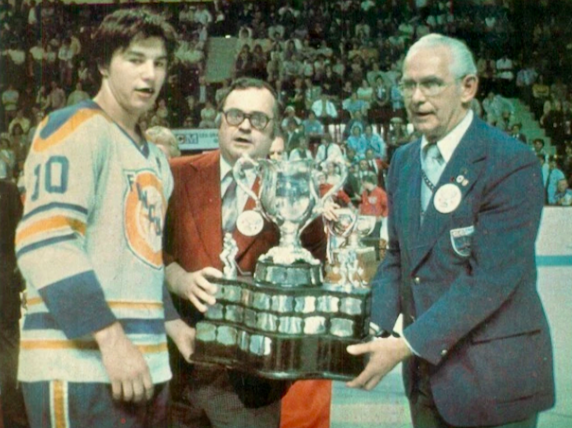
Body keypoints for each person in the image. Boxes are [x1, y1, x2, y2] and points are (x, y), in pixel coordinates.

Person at [347, 34, 555, 428]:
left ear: (468, 87)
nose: (417, 98)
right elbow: (398, 257)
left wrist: (406, 344)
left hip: (494, 382)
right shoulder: (403, 161)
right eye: (408, 85)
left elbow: (489, 280)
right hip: (427, 381)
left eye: (431, 84)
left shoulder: (511, 162)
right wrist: (372, 327)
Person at [15, 9, 195, 428]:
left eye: (159, 63)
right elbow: (44, 243)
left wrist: (174, 324)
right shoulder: (73, 128)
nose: (149, 74)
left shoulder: (157, 160)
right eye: (135, 59)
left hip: (146, 367)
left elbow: (143, 257)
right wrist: (111, 338)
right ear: (102, 64)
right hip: (78, 368)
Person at [164, 77, 331, 428]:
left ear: (273, 132)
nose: (244, 126)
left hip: (250, 386)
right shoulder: (175, 174)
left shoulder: (295, 190)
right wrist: (175, 275)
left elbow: (313, 274)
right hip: (177, 372)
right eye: (235, 115)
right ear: (219, 121)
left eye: (258, 119)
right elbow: (144, 251)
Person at [0, 178, 28, 428]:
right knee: (9, 349)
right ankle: (13, 417)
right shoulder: (8, 190)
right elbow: (22, 236)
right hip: (5, 284)